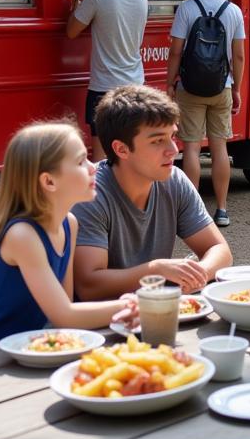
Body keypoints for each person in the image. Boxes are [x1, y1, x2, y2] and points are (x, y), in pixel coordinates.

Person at [0, 123, 137, 354]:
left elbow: (65, 309)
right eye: (81, 161)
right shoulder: (23, 236)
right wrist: (131, 305)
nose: (93, 167)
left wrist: (126, 308)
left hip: (11, 344)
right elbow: (64, 315)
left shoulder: (69, 224)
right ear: (49, 181)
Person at [72, 86, 233, 299]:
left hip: (154, 311)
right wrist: (155, 270)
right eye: (158, 141)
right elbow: (89, 286)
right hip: (102, 325)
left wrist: (196, 273)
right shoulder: (91, 195)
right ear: (121, 149)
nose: (174, 150)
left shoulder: (174, 180)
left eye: (172, 136)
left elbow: (220, 251)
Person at [164, 0, 246, 227]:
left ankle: (192, 212)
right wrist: (237, 88)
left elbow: (176, 50)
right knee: (220, 146)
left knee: (191, 147)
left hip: (190, 87)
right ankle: (222, 210)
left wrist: (169, 82)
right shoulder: (233, 11)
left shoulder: (186, 9)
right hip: (221, 86)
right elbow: (239, 56)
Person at [67, 0, 149, 161]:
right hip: (135, 85)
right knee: (130, 151)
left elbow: (72, 31)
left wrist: (78, 5)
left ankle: (104, 196)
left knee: (102, 158)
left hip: (104, 87)